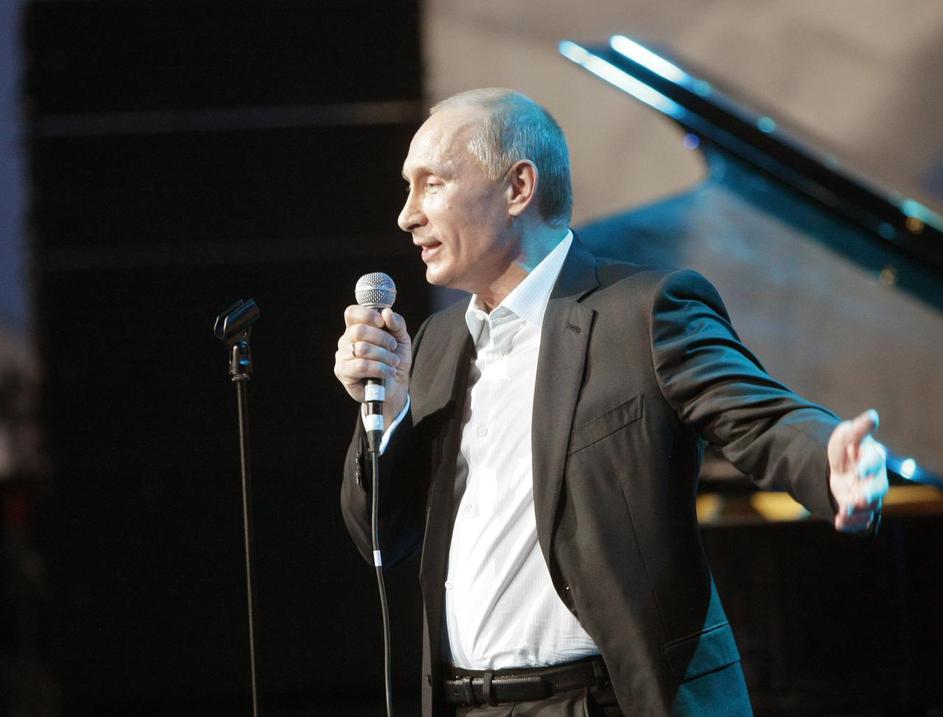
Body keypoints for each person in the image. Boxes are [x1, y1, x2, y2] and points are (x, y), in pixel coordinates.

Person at [333, 88, 887, 716]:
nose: (407, 215)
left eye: (432, 184)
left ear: (518, 188)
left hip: (606, 699)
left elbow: (760, 417)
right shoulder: (435, 344)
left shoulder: (641, 313)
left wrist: (829, 459)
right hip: (465, 703)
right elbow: (382, 535)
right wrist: (388, 414)